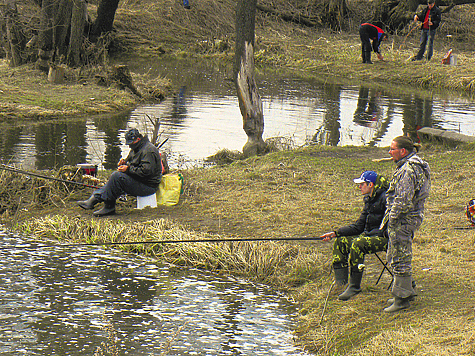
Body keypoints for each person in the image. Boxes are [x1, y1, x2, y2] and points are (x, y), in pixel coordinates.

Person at [320, 170, 389, 300]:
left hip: (385, 239)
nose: (359, 187)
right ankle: (341, 284)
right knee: (341, 242)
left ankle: (354, 287)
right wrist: (336, 233)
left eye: (362, 184)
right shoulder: (369, 199)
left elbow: (389, 226)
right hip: (370, 236)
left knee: (358, 243)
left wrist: (368, 236)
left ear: (371, 185)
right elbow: (359, 226)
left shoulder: (386, 198)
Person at [382, 136, 431, 312]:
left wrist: (392, 219)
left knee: (400, 256)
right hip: (412, 217)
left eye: (392, 149)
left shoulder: (407, 171)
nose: (389, 152)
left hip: (404, 219)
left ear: (403, 151)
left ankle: (402, 299)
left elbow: (402, 201)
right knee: (400, 253)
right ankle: (407, 290)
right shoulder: (418, 165)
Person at [77, 128, 162, 217]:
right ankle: (103, 204)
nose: (129, 146)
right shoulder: (137, 147)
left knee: (117, 177)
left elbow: (146, 172)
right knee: (115, 178)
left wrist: (128, 169)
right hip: (141, 181)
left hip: (148, 186)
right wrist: (125, 162)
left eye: (131, 143)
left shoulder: (148, 151)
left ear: (138, 139)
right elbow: (133, 162)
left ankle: (97, 201)